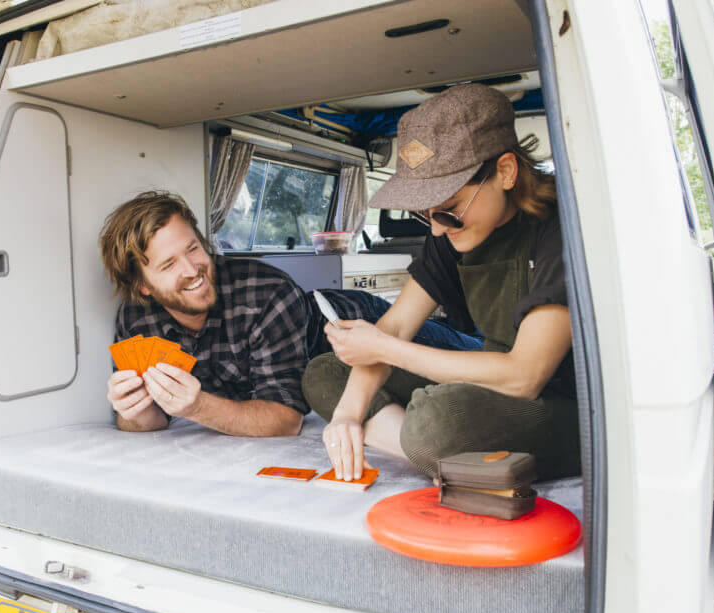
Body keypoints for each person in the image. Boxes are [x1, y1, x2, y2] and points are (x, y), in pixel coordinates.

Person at [302, 83, 581, 482]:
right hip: (490, 383)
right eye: (424, 214)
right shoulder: (451, 232)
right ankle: (434, 454)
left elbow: (524, 376)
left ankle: (431, 447)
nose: (435, 229)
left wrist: (384, 349)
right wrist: (346, 417)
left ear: (505, 171)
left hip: (557, 401)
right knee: (326, 372)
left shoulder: (560, 227)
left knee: (436, 420)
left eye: (449, 210)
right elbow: (396, 325)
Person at [98, 191, 481, 437]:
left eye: (194, 248)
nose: (193, 269)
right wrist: (134, 409)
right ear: (143, 285)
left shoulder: (263, 293)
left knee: (471, 356)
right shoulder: (137, 320)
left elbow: (285, 419)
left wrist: (197, 407)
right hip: (322, 348)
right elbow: (147, 423)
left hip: (352, 318)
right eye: (168, 265)